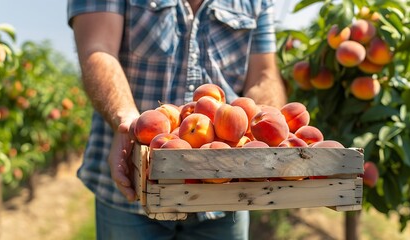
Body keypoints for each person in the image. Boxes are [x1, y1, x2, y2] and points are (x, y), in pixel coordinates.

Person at [67, 0, 287, 239]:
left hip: (225, 192)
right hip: (135, 181)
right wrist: (127, 120)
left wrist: (268, 128)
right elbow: (98, 48)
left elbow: (264, 75)